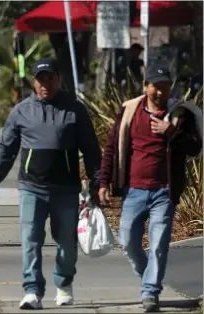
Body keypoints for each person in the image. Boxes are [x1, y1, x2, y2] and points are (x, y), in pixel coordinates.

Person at [0, 58, 102, 310]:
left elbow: (91, 149)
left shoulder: (74, 109)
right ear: (34, 82)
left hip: (66, 189)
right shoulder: (22, 111)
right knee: (31, 240)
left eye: (50, 78)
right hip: (31, 188)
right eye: (40, 79)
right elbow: (6, 149)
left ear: (58, 79)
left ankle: (64, 284)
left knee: (67, 243)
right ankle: (32, 291)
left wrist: (97, 181)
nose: (45, 83)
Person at [98, 66, 202, 312]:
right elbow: (112, 148)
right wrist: (103, 182)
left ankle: (150, 293)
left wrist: (172, 133)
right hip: (133, 190)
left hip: (164, 193)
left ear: (170, 88)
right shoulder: (130, 111)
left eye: (164, 86)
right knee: (128, 241)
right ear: (145, 86)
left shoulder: (179, 114)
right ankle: (149, 276)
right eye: (155, 85)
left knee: (157, 245)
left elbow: (195, 148)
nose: (159, 91)